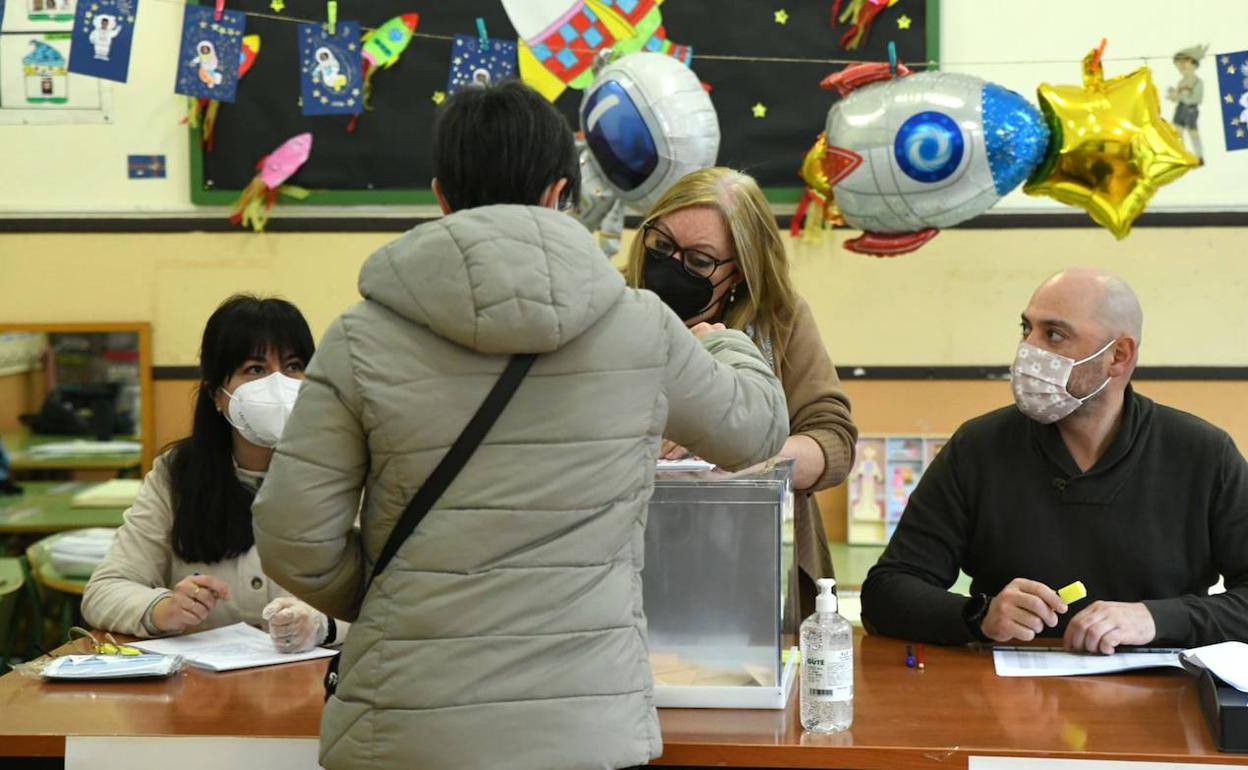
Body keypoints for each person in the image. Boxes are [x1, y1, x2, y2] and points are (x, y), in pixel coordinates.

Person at [251, 80, 788, 770]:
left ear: (442, 194)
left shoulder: (361, 337)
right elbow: (758, 431)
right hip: (585, 724)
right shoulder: (641, 328)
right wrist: (721, 340)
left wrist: (401, 589)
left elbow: (292, 536)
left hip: (410, 724)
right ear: (560, 191)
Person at [861, 268, 1248, 652]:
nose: (1029, 350)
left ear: (1118, 355)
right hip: (1009, 697)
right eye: (1025, 329)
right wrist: (980, 616)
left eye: (1054, 334)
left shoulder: (1203, 454)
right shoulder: (978, 447)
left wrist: (1157, 618)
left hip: (1163, 694)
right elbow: (886, 593)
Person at [622, 166, 858, 626]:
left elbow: (834, 444)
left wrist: (737, 443)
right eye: (662, 246)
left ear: (741, 272)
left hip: (749, 564)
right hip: (624, 557)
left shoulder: (778, 319)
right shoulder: (608, 303)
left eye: (699, 261)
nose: (672, 267)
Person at [83, 295, 344, 654]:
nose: (279, 385)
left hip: (319, 690)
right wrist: (162, 609)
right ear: (216, 394)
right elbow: (105, 590)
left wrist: (322, 625)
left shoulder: (347, 472)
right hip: (203, 693)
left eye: (294, 365)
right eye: (255, 369)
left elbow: (396, 597)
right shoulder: (177, 475)